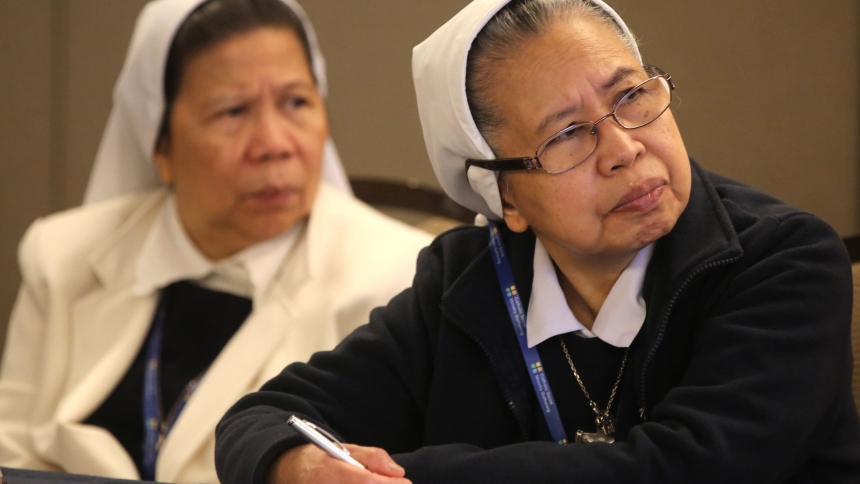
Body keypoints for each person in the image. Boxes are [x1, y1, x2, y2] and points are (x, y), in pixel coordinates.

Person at [214, 0, 860, 483]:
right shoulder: (467, 281)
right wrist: (297, 467)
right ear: (506, 199)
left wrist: (409, 477)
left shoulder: (782, 259)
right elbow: (263, 416)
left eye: (632, 96)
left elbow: (686, 469)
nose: (625, 147)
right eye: (567, 135)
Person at [0, 0, 431, 482]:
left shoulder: (391, 281)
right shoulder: (62, 255)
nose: (274, 143)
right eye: (233, 111)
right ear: (159, 144)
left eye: (296, 102)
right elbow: (10, 454)